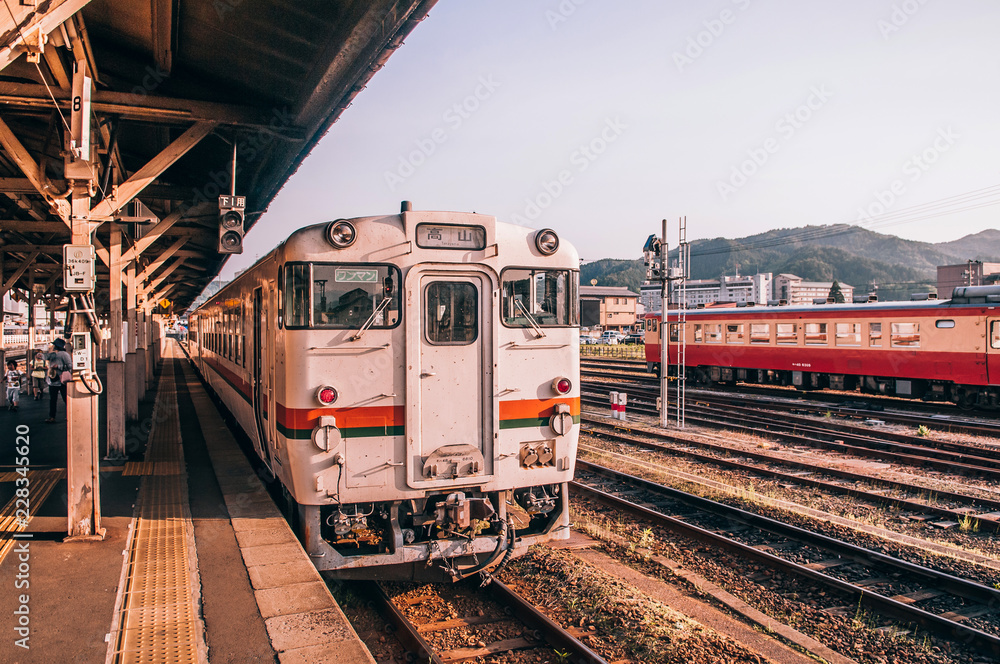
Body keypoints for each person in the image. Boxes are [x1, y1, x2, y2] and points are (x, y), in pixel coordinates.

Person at [46, 338, 72, 423]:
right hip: (53, 381)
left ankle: (69, 415)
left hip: (62, 381)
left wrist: (59, 367)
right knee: (52, 400)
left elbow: (70, 366)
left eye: (54, 345)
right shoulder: (53, 355)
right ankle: (52, 416)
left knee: (65, 399)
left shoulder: (64, 354)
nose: (53, 346)